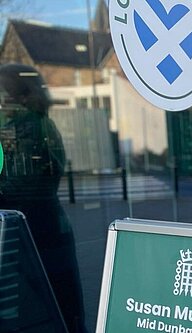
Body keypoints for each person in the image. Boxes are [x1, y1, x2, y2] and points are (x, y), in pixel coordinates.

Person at [0, 63, 87, 332]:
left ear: (20, 97)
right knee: (60, 299)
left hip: (35, 229)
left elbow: (21, 185)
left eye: (3, 94)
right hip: (45, 225)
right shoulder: (37, 124)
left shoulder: (27, 128)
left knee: (50, 301)